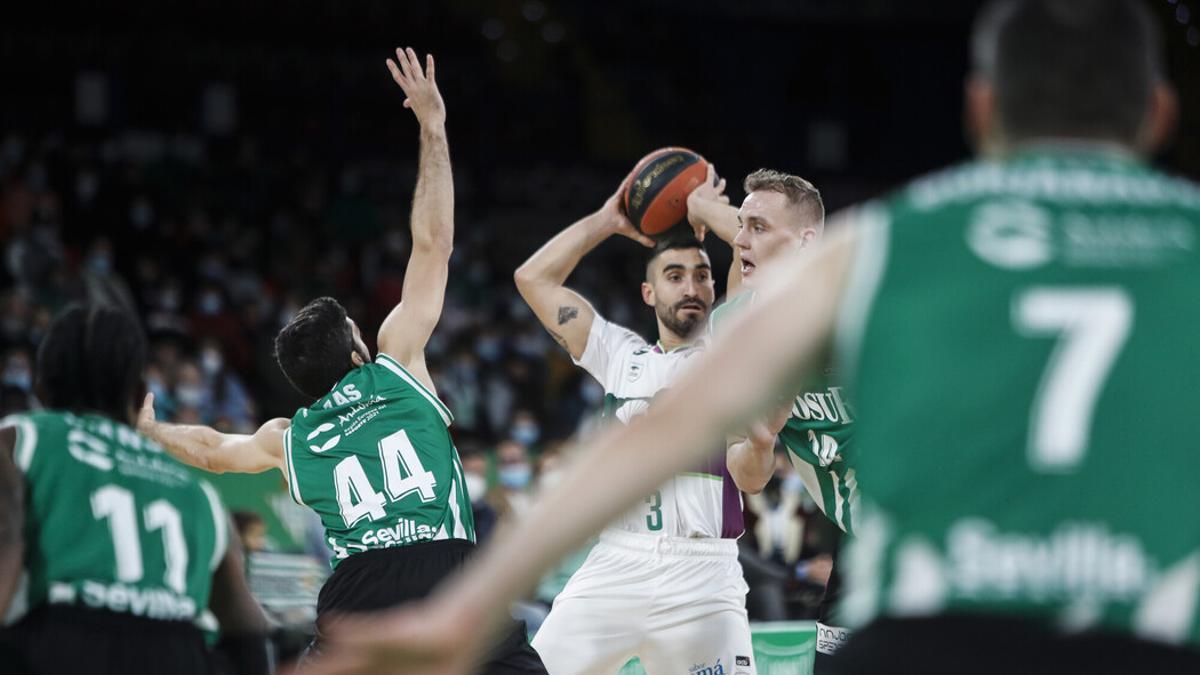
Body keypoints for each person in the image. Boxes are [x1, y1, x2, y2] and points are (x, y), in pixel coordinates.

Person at [303, 2, 1200, 674]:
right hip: (1144, 612)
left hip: (939, 606)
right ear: (1160, 114)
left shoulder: (891, 244)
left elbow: (659, 436)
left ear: (979, 108)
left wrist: (469, 608)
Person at [136, 48, 545, 673]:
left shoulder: (291, 435)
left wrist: (147, 428)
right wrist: (432, 128)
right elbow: (434, 244)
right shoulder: (397, 361)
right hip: (448, 572)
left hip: (359, 593)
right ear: (357, 348)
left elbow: (212, 452)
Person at [512, 172, 753, 674]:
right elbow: (532, 279)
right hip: (617, 564)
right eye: (674, 275)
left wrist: (705, 210)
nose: (692, 287)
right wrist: (607, 221)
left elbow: (773, 259)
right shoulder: (617, 353)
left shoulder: (733, 347)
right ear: (647, 292)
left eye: (703, 274)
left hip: (704, 576)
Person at [0, 304, 272, 675]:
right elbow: (248, 632)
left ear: (40, 388)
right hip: (180, 651)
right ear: (141, 394)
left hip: (63, 641)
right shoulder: (196, 490)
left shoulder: (20, 438)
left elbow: (5, 555)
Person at [693, 168, 857, 663]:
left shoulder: (864, 301)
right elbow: (748, 479)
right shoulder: (735, 326)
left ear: (809, 242)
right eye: (740, 225)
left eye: (757, 227)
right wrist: (761, 442)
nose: (741, 238)